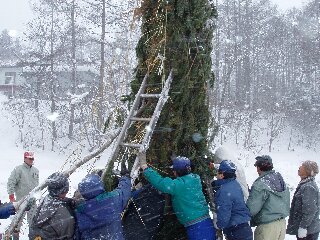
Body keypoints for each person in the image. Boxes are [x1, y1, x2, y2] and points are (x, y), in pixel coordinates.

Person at [139, 152, 216, 240]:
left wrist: (145, 168)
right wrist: (177, 161)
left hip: (196, 226)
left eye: (174, 170)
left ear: (177, 172)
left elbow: (160, 183)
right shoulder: (195, 178)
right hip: (203, 221)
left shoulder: (178, 185)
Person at [75, 172, 131, 239]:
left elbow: (77, 234)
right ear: (100, 185)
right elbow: (124, 190)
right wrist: (125, 177)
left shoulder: (79, 210)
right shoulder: (112, 200)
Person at [246, 155, 290, 240]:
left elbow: (251, 209)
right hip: (281, 224)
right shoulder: (280, 179)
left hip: (267, 227)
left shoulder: (260, 184)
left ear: (258, 168)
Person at [212, 160, 252, 240]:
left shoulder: (224, 191)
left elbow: (224, 217)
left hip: (235, 232)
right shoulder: (235, 184)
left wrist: (218, 224)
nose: (216, 174)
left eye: (218, 172)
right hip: (245, 228)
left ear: (222, 175)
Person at [29, 172, 76, 240]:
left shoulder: (46, 200)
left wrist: (70, 201)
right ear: (64, 190)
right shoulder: (63, 214)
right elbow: (69, 236)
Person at [7, 151, 39, 239]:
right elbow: (11, 182)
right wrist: (11, 196)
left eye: (32, 158)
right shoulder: (18, 169)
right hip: (21, 201)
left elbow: (37, 186)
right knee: (17, 223)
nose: (31, 160)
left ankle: (33, 238)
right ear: (25, 159)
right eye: (29, 158)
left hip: (32, 201)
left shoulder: (36, 171)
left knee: (33, 222)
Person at [287, 160, 320, 240]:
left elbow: (310, 210)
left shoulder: (308, 187)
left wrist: (303, 227)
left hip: (308, 232)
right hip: (308, 231)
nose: (299, 167)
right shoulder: (305, 184)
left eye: (302, 166)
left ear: (307, 171)